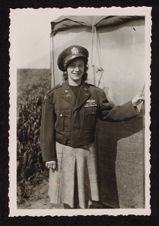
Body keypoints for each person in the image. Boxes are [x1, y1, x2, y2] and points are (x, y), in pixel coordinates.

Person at [40, 45, 144, 209]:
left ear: (84, 68)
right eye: (72, 66)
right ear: (66, 69)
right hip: (63, 151)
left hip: (86, 151)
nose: (77, 69)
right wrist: (49, 156)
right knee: (67, 199)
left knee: (85, 199)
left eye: (80, 65)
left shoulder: (95, 93)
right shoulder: (54, 95)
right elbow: (46, 129)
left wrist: (132, 105)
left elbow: (110, 113)